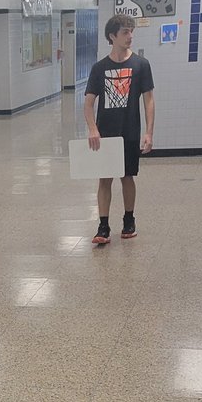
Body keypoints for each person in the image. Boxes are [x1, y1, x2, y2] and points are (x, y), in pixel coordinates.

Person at [83, 14, 155, 245]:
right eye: (125, 32)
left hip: (130, 131)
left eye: (131, 31)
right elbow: (88, 103)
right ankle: (103, 226)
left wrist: (148, 132)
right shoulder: (99, 68)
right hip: (106, 133)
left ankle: (128, 220)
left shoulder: (141, 65)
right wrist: (93, 129)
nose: (130, 36)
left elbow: (149, 100)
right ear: (112, 36)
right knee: (104, 179)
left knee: (127, 177)